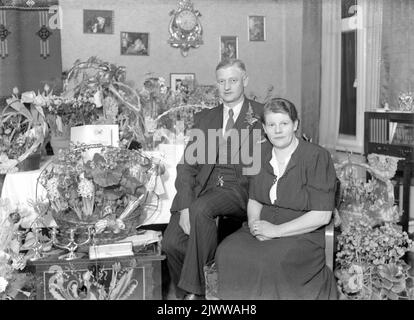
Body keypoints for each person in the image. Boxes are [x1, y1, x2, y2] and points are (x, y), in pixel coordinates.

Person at [215, 98, 338, 300]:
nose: (278, 130)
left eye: (284, 124)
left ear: (295, 125)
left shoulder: (317, 157)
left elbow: (322, 216)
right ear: (264, 128)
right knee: (227, 252)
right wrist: (255, 224)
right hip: (263, 226)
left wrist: (276, 231)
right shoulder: (259, 154)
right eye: (272, 125)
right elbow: (254, 199)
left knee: (267, 263)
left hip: (301, 233)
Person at [162, 58, 264, 300]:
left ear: (245, 81)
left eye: (233, 80)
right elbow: (187, 166)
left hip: (240, 190)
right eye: (221, 81)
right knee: (171, 244)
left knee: (203, 209)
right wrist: (185, 206)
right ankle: (189, 292)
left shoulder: (261, 115)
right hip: (203, 190)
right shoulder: (205, 118)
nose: (227, 87)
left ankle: (195, 294)